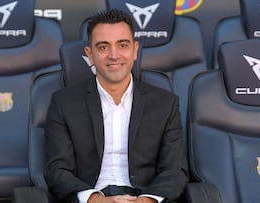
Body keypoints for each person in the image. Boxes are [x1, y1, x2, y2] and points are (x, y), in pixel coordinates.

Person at [44, 9, 188, 203]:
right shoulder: (63, 103)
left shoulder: (165, 103)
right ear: (90, 54)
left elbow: (174, 170)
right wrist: (97, 200)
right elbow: (57, 170)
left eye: (122, 45)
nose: (114, 55)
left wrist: (147, 200)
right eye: (103, 47)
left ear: (135, 50)